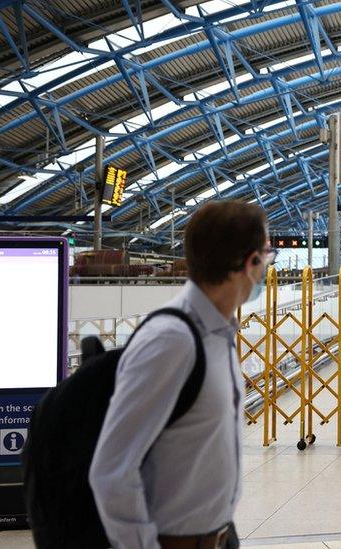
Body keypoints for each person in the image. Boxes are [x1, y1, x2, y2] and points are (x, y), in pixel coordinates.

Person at [89, 200, 273, 549]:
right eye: (267, 255)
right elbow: (111, 470)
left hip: (219, 536)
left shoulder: (219, 332)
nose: (267, 266)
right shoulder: (172, 342)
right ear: (250, 263)